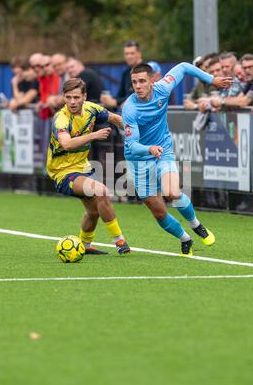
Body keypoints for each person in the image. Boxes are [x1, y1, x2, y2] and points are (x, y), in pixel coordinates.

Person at [122, 62, 232, 256]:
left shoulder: (163, 88)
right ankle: (184, 238)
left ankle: (196, 225)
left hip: (162, 150)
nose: (138, 86)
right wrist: (149, 148)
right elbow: (132, 145)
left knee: (172, 191)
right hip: (138, 158)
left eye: (142, 81)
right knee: (158, 211)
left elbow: (183, 67)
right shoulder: (130, 108)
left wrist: (211, 79)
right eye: (134, 82)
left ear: (152, 80)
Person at [46, 78, 130, 255]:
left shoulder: (92, 108)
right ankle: (120, 242)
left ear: (85, 96)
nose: (72, 102)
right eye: (68, 97)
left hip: (82, 169)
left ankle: (84, 245)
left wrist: (133, 133)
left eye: (76, 97)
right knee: (101, 191)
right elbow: (67, 144)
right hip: (63, 173)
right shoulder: (60, 119)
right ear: (64, 97)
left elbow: (115, 118)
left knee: (93, 212)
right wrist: (94, 135)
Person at [100, 40, 143, 109]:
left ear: (139, 54)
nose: (129, 56)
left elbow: (140, 95)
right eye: (126, 54)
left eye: (132, 53)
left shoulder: (146, 70)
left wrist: (116, 102)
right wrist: (109, 99)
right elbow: (120, 95)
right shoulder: (126, 72)